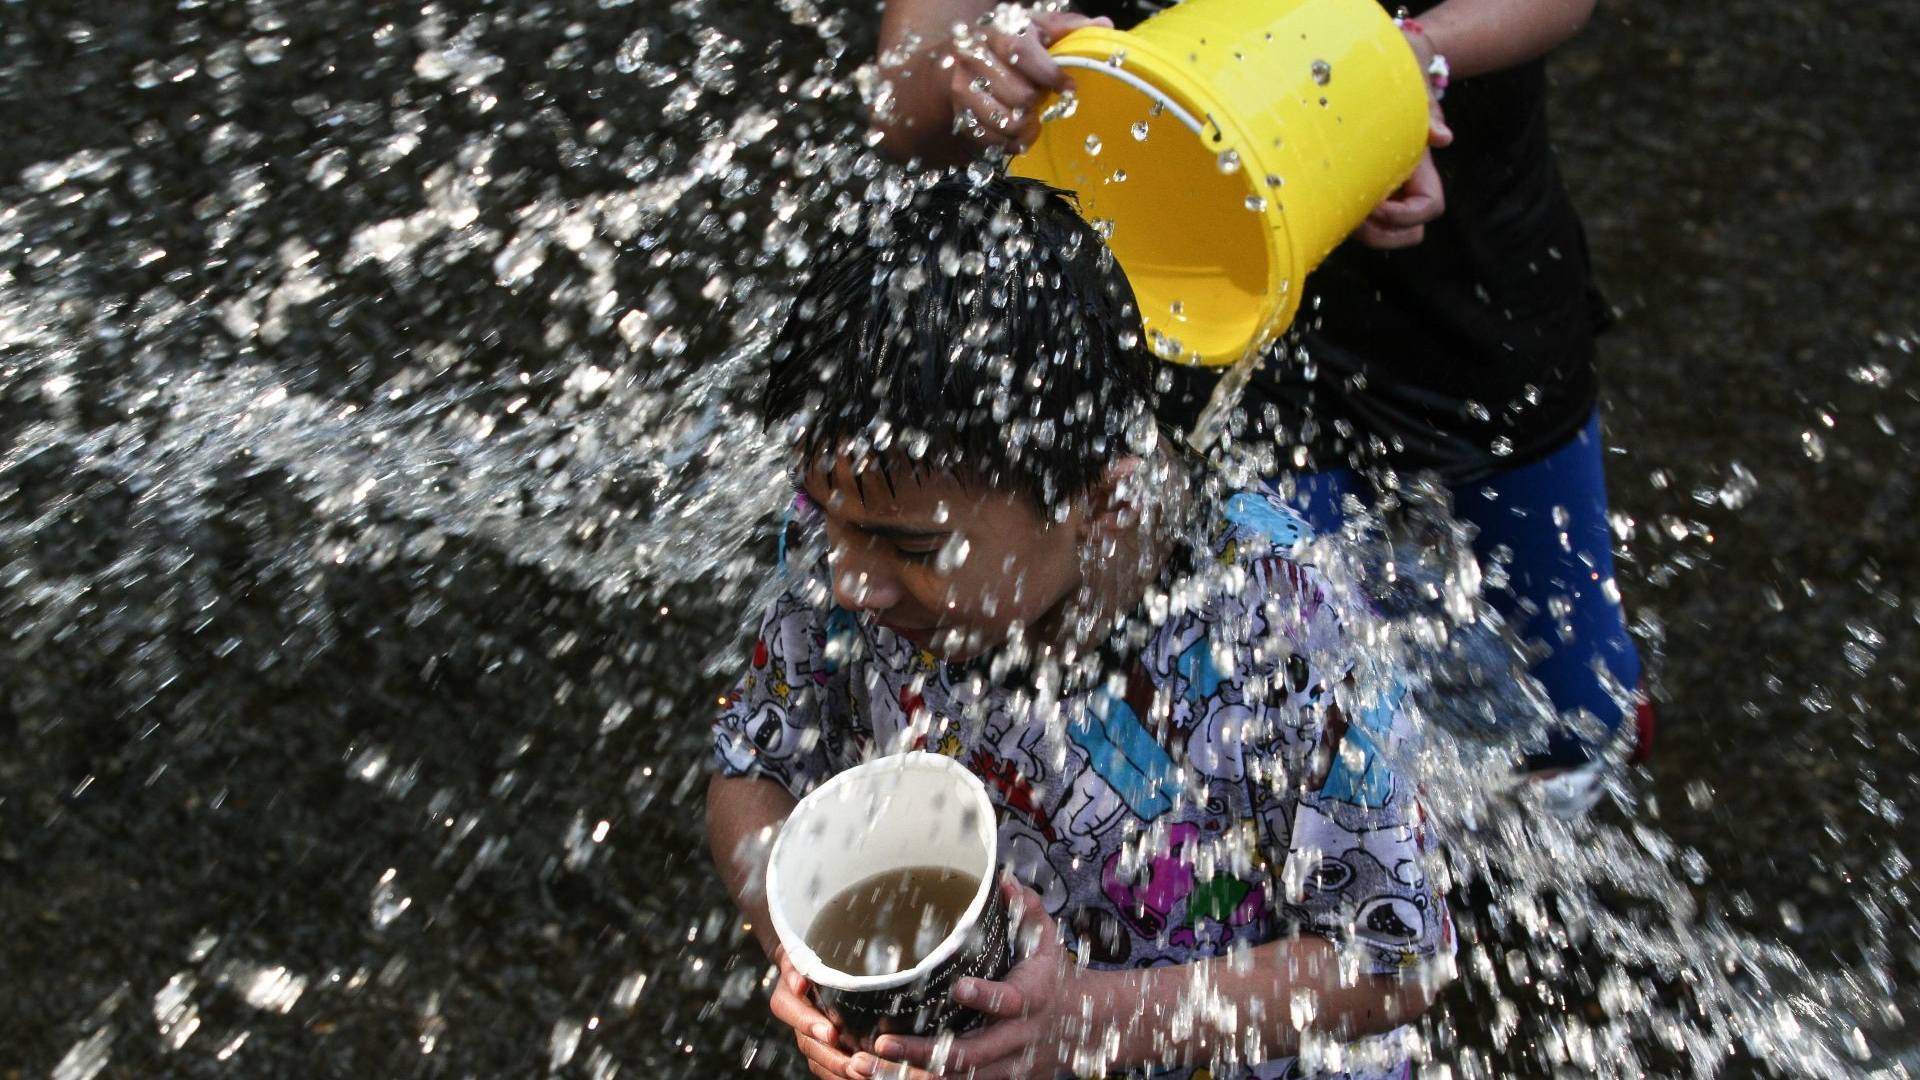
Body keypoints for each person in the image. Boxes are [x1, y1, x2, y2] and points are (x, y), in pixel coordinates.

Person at [706, 176, 1451, 1080]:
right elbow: (753, 771)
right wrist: (800, 946)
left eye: (909, 547)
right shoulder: (860, 522)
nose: (849, 581)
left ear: (1104, 502)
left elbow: (1397, 959)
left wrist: (1087, 1025)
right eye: (823, 515)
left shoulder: (1278, 632)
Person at [868, 0, 1652, 805]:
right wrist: (977, 70)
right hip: (1194, 302)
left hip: (1471, 309)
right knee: (1286, 719)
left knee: (1576, 708)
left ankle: (1553, 807)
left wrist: (1403, 60)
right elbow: (905, 97)